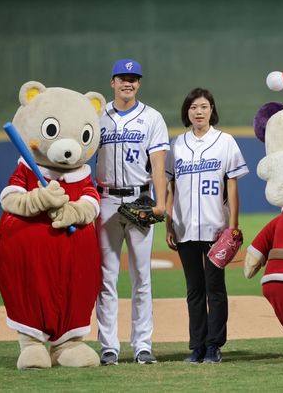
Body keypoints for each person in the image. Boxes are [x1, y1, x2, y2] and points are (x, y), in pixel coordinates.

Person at [166, 88, 249, 363]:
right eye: (193, 107)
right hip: (185, 227)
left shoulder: (225, 142)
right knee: (194, 289)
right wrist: (168, 224)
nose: (198, 112)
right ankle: (197, 346)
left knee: (215, 287)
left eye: (203, 106)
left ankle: (214, 345)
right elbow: (170, 188)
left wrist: (233, 228)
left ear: (212, 109)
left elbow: (233, 186)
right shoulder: (176, 145)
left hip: (216, 228)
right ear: (186, 112)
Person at [95, 58, 169, 365]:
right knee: (106, 277)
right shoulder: (97, 116)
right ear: (112, 82)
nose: (129, 82)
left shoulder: (152, 117)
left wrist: (161, 202)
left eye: (134, 78)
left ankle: (142, 345)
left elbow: (159, 165)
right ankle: (109, 346)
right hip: (105, 200)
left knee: (142, 278)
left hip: (140, 200)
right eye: (123, 77)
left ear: (139, 83)